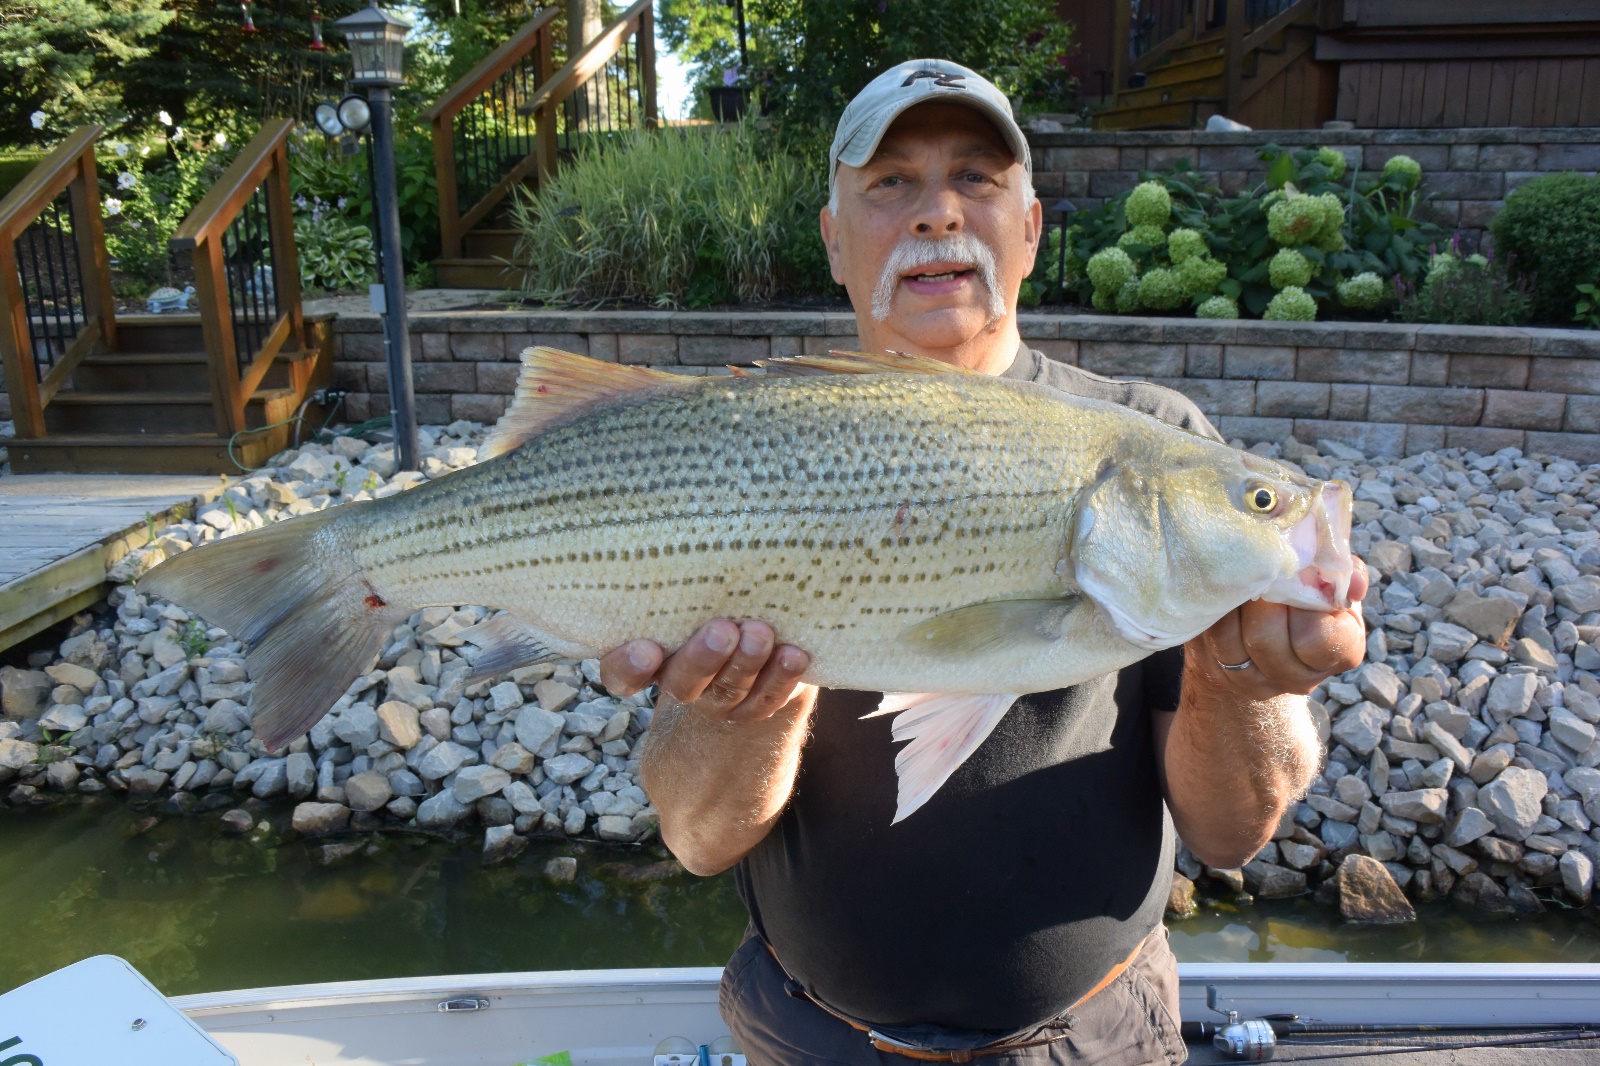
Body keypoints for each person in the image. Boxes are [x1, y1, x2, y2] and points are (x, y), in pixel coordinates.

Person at [598, 59, 1369, 1064]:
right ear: (834, 239)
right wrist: (746, 702)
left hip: (1094, 1038)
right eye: (891, 184)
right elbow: (699, 839)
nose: (935, 215)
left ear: (1032, 229)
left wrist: (1238, 682)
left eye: (975, 178)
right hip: (808, 1035)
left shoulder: (1156, 440)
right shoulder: (752, 442)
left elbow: (1228, 838)